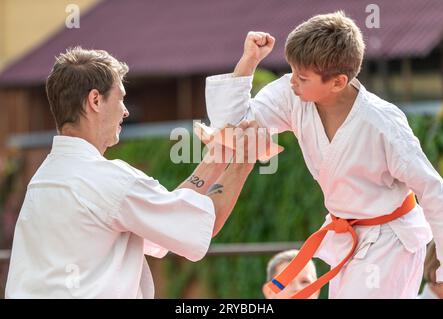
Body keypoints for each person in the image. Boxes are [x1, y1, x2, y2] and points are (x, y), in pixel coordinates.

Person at [205, 11, 443, 298]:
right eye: (293, 71)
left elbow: (433, 190)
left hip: (390, 243)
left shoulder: (383, 124)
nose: (293, 81)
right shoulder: (292, 95)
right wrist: (248, 62)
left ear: (337, 82)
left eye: (303, 77)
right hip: (347, 239)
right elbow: (231, 128)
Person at [5, 47, 258, 298]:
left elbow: (169, 218)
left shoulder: (43, 178)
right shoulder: (106, 180)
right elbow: (202, 223)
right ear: (95, 100)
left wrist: (217, 158)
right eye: (121, 98)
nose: (126, 111)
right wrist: (246, 157)